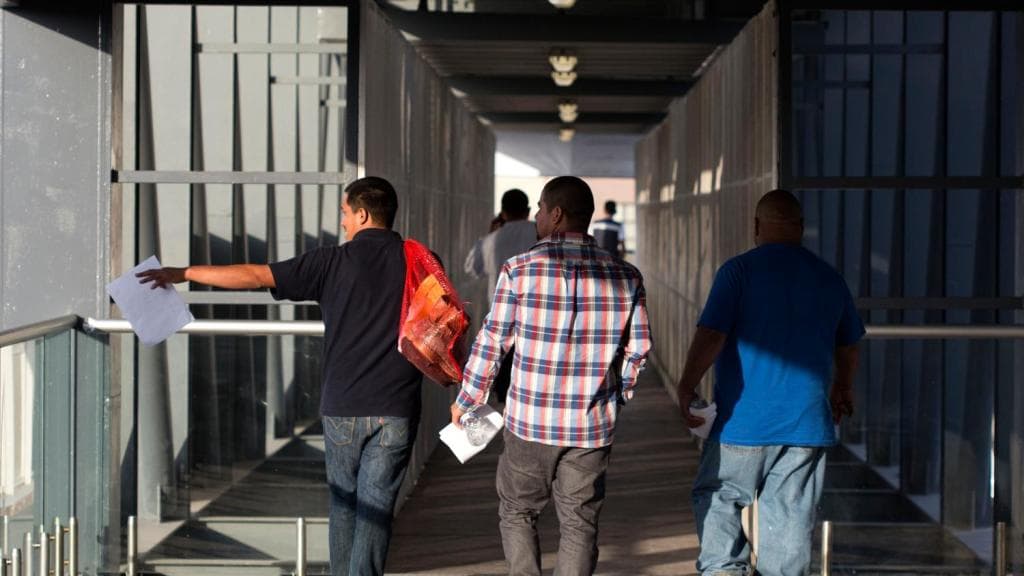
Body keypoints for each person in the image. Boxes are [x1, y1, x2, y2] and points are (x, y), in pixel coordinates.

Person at [138, 176, 424, 576]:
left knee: (345, 507)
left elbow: (255, 275)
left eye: (344, 213)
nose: (343, 222)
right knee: (377, 508)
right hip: (397, 404)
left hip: (343, 404)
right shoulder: (420, 260)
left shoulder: (330, 262)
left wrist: (184, 273)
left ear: (362, 213)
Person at [451, 176, 652, 576]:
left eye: (541, 209)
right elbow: (639, 350)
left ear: (556, 214)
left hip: (529, 423)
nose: (538, 216)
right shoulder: (626, 276)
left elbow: (494, 341)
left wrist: (468, 398)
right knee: (579, 521)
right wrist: (615, 398)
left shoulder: (520, 270)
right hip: (590, 428)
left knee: (518, 510)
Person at [677, 189, 864, 576]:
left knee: (719, 494)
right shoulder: (828, 277)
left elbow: (712, 334)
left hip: (742, 424)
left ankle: (725, 571)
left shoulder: (738, 271)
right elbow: (849, 344)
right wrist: (843, 386)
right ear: (800, 228)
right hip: (806, 426)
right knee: (790, 515)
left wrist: (687, 385)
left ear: (757, 226)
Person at [463, 189, 538, 403]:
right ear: (528, 211)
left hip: (502, 326)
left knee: (506, 389)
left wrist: (489, 235)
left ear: (502, 213)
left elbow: (472, 268)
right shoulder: (540, 234)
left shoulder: (490, 240)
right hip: (537, 324)